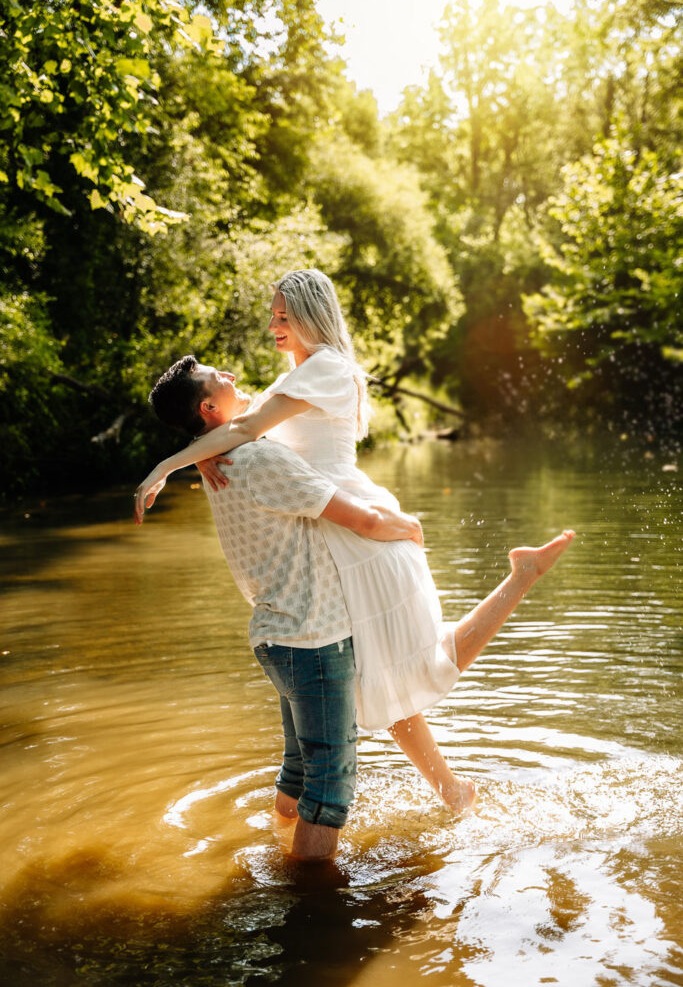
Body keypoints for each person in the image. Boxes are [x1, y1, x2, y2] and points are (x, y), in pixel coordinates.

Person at [135, 270, 574, 811]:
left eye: (281, 315)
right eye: (272, 315)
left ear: (310, 314)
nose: (272, 325)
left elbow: (244, 432)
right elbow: (231, 430)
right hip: (329, 532)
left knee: (418, 664)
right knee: (387, 679)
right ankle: (453, 790)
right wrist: (198, 453)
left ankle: (519, 579)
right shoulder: (297, 374)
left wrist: (166, 465)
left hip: (353, 530)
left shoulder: (325, 369)